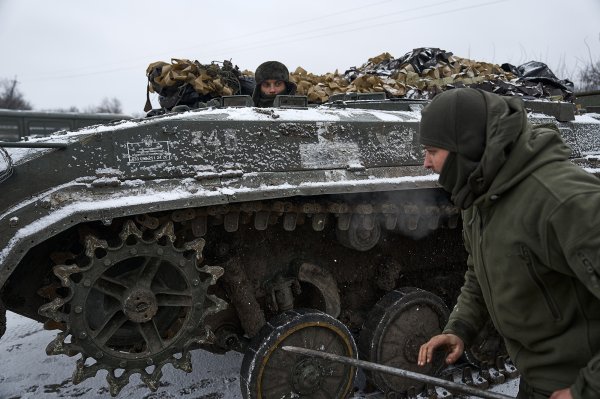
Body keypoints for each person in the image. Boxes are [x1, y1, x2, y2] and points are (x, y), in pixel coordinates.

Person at [415, 88, 600, 399]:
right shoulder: (479, 194)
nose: (426, 164)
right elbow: (481, 270)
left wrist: (587, 389)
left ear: (467, 147)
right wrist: (459, 329)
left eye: (433, 151)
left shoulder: (563, 201)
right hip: (536, 380)